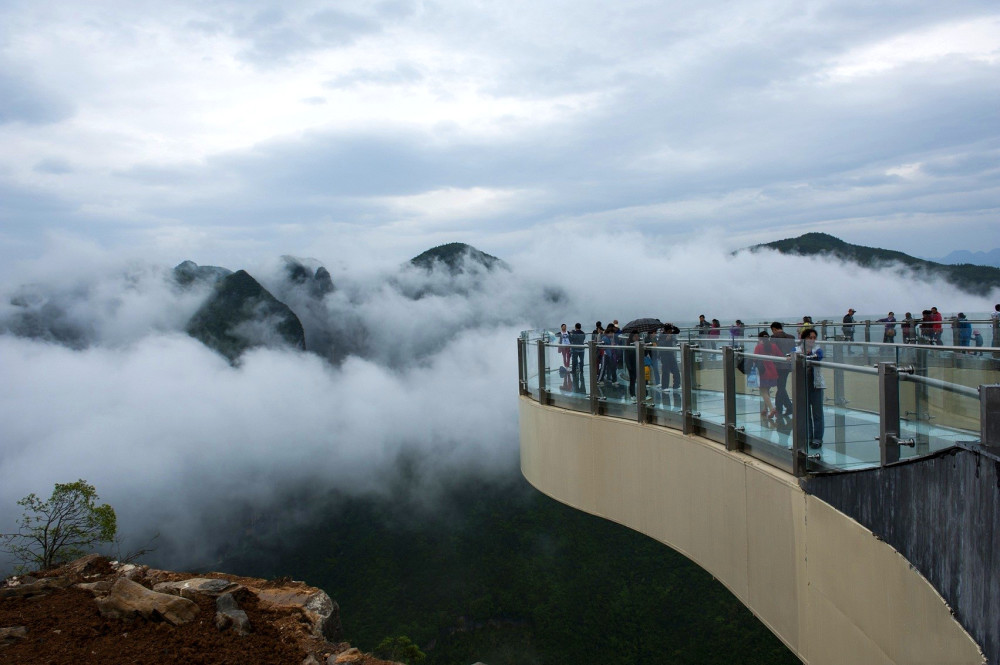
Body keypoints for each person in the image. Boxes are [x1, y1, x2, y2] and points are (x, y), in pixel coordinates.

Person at [796, 328, 826, 449]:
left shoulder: (817, 350)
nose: (812, 340)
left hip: (816, 385)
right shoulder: (797, 349)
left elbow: (818, 356)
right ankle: (809, 436)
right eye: (810, 337)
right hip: (803, 386)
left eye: (814, 338)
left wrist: (806, 356)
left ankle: (818, 438)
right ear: (804, 338)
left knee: (817, 413)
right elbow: (792, 356)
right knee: (806, 413)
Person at [752, 331, 782, 426]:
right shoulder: (773, 346)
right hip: (772, 370)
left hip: (762, 371)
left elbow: (754, 359)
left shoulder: (758, 347)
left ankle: (772, 409)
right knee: (767, 391)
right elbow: (780, 355)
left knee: (763, 391)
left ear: (759, 339)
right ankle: (765, 409)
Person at [769, 321, 795, 417]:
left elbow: (771, 351)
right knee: (781, 386)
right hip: (788, 364)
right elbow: (793, 350)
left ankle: (788, 407)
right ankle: (780, 407)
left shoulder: (774, 338)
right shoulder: (791, 337)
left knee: (781, 387)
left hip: (778, 365)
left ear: (774, 329)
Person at [658, 324, 681, 391]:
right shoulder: (661, 335)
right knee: (665, 371)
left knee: (676, 370)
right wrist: (666, 340)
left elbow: (678, 331)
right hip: (664, 355)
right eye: (669, 331)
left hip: (671, 354)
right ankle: (664, 387)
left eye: (671, 331)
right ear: (666, 331)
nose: (670, 332)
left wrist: (673, 326)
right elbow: (660, 344)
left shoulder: (671, 334)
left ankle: (676, 385)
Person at [568, 323, 587, 389]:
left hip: (575, 349)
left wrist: (570, 334)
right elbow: (583, 339)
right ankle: (581, 370)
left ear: (575, 327)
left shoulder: (574, 333)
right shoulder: (583, 333)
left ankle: (573, 370)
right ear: (580, 327)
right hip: (582, 349)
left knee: (574, 360)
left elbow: (571, 340)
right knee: (582, 360)